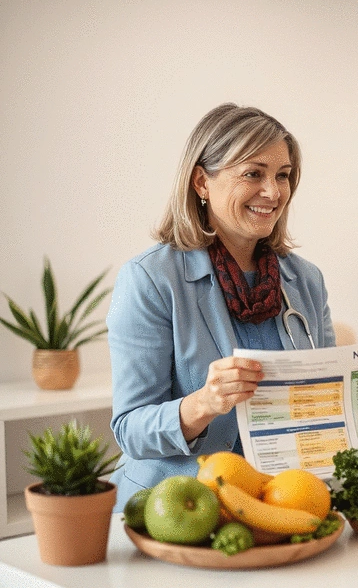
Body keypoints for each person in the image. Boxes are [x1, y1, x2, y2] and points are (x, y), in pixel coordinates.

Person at [107, 104, 336, 510]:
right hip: (178, 504)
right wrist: (204, 404)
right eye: (253, 173)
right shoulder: (151, 279)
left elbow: (330, 400)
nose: (273, 191)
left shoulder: (306, 281)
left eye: (282, 175)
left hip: (282, 497)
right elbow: (130, 429)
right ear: (201, 182)